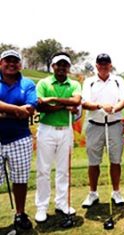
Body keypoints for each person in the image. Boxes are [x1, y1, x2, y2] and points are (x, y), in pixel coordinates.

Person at [34, 52, 82, 222]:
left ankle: (62, 203)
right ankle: (42, 207)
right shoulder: (43, 83)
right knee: (43, 170)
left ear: (68, 68)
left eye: (65, 65)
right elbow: (40, 105)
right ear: (52, 66)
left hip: (66, 130)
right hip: (46, 129)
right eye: (58, 65)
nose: (61, 68)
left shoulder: (74, 84)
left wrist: (54, 99)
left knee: (64, 170)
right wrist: (64, 104)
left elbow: (76, 101)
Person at [81, 53, 124, 208]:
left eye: (106, 63)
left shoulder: (118, 80)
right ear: (96, 66)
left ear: (110, 65)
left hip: (114, 124)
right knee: (93, 162)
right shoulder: (89, 82)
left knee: (115, 160)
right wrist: (101, 107)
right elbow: (85, 103)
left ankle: (116, 192)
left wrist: (114, 108)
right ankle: (93, 193)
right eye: (100, 64)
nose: (103, 66)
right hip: (95, 125)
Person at [0, 50, 37, 230]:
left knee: (20, 179)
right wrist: (16, 110)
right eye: (8, 61)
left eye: (15, 61)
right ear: (1, 63)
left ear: (19, 64)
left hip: (20, 138)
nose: (11, 64)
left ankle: (20, 214)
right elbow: (21, 111)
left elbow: (30, 109)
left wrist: (3, 112)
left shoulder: (27, 84)